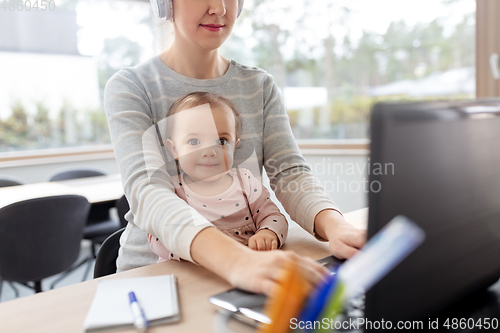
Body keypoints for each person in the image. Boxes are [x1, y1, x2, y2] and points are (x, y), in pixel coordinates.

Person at [104, 0, 366, 295]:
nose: (219, 8)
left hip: (247, 270)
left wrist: (336, 227)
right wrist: (237, 261)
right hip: (156, 277)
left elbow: (289, 173)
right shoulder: (132, 86)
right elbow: (147, 191)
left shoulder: (259, 85)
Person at [147, 92, 289, 261]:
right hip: (191, 274)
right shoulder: (172, 191)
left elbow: (274, 217)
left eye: (221, 141)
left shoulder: (246, 182)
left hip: (247, 270)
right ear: (175, 149)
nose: (209, 152)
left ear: (235, 145)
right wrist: (198, 252)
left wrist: (268, 233)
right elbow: (156, 236)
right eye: (194, 142)